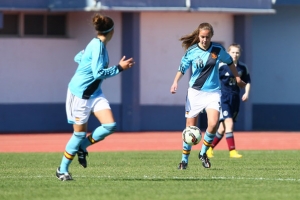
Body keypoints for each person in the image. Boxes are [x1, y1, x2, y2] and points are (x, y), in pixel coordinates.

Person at [56, 14, 135, 181]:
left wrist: (85, 62)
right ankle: (62, 170)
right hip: (80, 94)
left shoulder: (96, 44)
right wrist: (119, 68)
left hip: (95, 93)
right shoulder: (98, 46)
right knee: (78, 135)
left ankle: (82, 147)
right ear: (112, 31)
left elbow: (78, 57)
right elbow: (98, 73)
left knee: (110, 125)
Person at [170, 23, 246, 170]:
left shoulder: (218, 49)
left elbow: (230, 62)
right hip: (195, 93)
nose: (204, 40)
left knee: (213, 123)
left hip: (213, 92)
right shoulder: (191, 51)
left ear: (211, 36)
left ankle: (203, 153)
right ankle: (184, 160)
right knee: (190, 128)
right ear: (198, 36)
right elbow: (182, 68)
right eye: (202, 37)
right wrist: (175, 82)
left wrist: (237, 78)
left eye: (207, 37)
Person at [206, 43, 251, 158]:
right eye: (232, 52)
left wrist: (246, 92)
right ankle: (232, 151)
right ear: (228, 53)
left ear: (240, 54)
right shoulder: (222, 66)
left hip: (235, 98)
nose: (235, 55)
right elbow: (212, 79)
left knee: (222, 128)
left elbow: (247, 81)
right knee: (229, 124)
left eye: (237, 52)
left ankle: (209, 149)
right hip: (224, 98)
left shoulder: (243, 67)